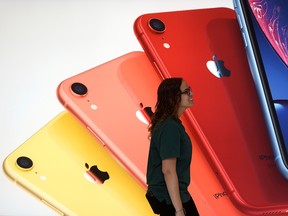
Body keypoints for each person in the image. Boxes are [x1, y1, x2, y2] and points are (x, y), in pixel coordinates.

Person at [145, 78, 199, 216]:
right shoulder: (170, 127)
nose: (191, 94)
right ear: (173, 98)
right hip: (168, 197)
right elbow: (168, 170)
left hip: (173, 195)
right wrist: (179, 210)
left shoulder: (172, 124)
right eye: (186, 91)